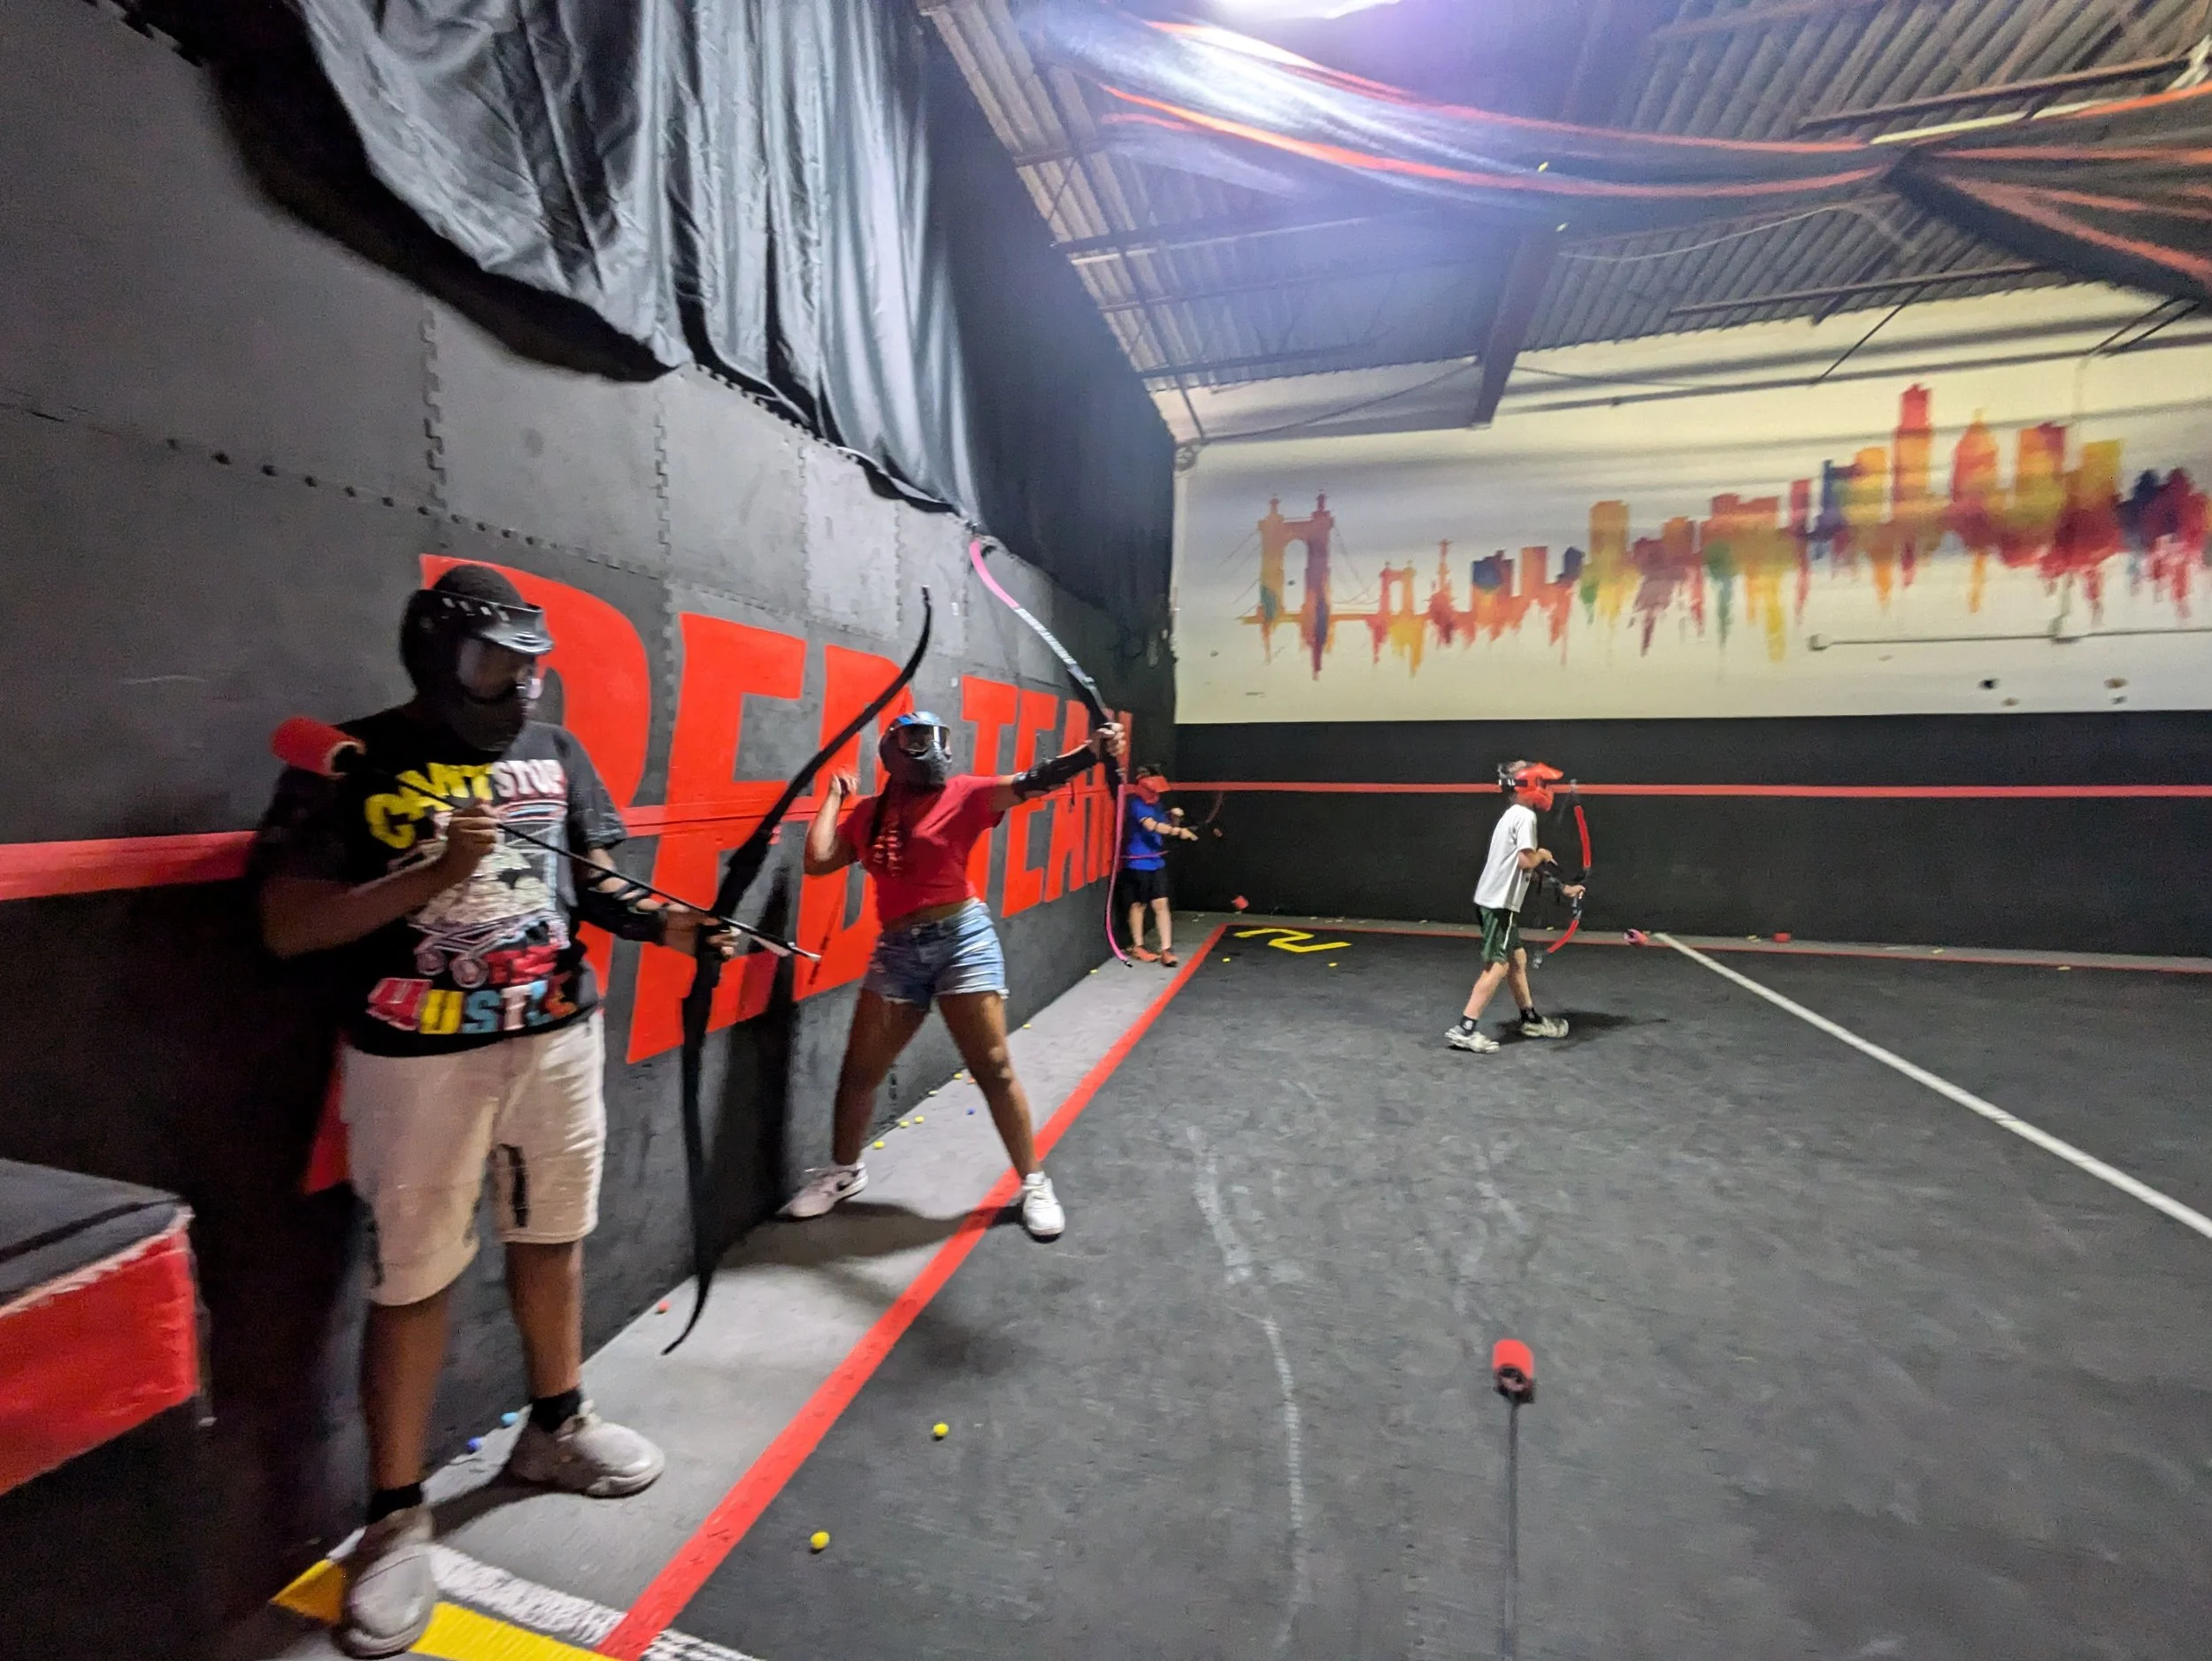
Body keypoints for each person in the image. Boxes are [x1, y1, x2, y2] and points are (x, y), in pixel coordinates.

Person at [253, 565, 735, 1658]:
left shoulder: (556, 754)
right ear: (437, 656)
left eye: (532, 665)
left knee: (553, 1233)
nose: (519, 685)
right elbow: (287, 925)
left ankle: (555, 1427)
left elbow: (596, 886)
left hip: (559, 1034)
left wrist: (683, 930)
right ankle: (394, 1515)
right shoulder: (351, 759)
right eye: (495, 663)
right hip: (419, 1055)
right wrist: (427, 877)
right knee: (416, 1269)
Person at [780, 711, 1125, 1239]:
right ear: (892, 748)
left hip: (961, 940)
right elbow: (820, 860)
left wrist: (1090, 754)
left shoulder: (964, 794)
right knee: (859, 1071)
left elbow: (1033, 781)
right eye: (917, 738)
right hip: (898, 950)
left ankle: (1034, 1180)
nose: (931, 747)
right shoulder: (869, 815)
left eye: (937, 737)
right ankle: (845, 1172)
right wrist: (834, 798)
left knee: (994, 1069)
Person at [1447, 760, 1583, 1055]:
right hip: (1500, 905)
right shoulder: (1524, 817)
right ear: (1530, 785)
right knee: (1498, 966)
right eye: (1544, 784)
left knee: (1517, 958)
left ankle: (1529, 1019)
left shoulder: (1513, 815)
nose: (1548, 790)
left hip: (1492, 901)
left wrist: (1562, 887)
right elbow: (1525, 861)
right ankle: (1465, 1028)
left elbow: (1526, 868)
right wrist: (1543, 853)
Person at [1120, 764, 1197, 965]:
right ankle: (1138, 946)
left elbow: (1165, 826)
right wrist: (1179, 832)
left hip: (1155, 861)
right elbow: (1151, 826)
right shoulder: (1136, 804)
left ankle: (1166, 949)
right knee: (1139, 905)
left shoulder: (1156, 805)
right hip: (1139, 862)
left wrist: (1175, 820)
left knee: (1162, 904)